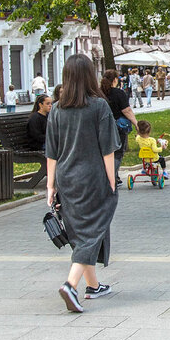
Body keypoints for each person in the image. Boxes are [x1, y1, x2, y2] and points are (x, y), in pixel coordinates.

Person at [47, 54, 121, 312]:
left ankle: (93, 285)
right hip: (93, 177)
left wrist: (50, 186)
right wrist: (112, 181)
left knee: (80, 230)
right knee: (94, 229)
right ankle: (71, 284)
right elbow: (107, 149)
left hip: (66, 179)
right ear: (90, 75)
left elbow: (52, 151)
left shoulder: (56, 109)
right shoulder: (99, 106)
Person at [100, 69, 139, 179]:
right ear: (115, 80)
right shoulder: (119, 93)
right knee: (118, 152)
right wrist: (136, 123)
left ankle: (113, 177)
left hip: (101, 126)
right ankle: (111, 177)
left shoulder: (98, 93)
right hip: (117, 126)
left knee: (105, 152)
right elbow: (126, 111)